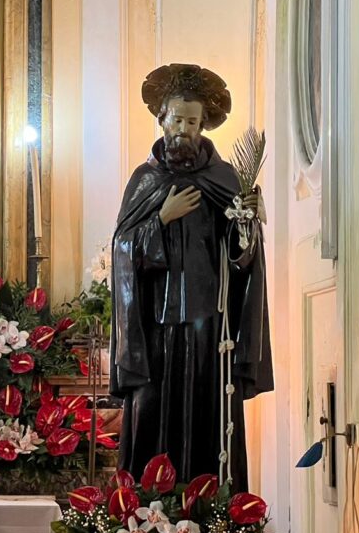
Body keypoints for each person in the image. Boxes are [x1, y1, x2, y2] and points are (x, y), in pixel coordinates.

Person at [109, 63, 272, 490]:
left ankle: (213, 508)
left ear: (204, 125)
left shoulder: (224, 180)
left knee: (209, 414)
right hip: (156, 328)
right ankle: (146, 509)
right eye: (177, 119)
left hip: (209, 326)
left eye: (193, 121)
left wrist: (245, 226)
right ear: (162, 119)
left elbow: (243, 261)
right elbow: (122, 250)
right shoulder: (145, 180)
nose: (184, 129)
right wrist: (160, 219)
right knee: (152, 410)